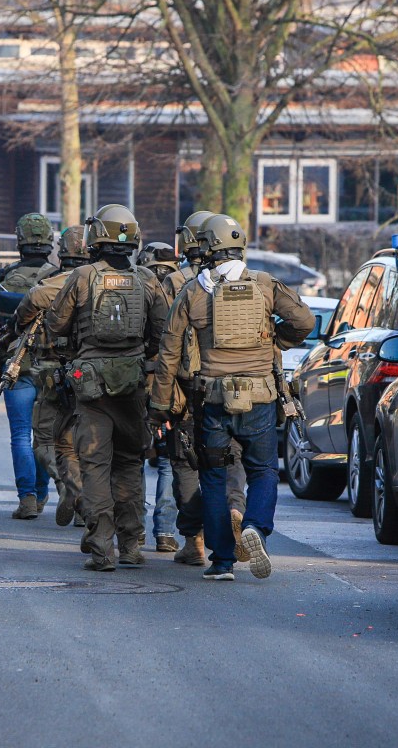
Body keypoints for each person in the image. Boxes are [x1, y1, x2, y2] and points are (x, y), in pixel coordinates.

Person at [149, 214, 315, 581]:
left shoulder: (191, 292)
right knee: (263, 470)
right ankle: (256, 526)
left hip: (212, 400)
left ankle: (222, 559)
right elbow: (304, 321)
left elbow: (169, 354)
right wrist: (274, 341)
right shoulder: (266, 284)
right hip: (259, 396)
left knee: (212, 475)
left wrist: (159, 407)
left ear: (206, 248)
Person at [47, 205, 169, 571]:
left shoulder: (82, 277)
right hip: (134, 384)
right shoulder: (148, 279)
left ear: (95, 238)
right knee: (130, 463)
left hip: (91, 386)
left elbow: (56, 324)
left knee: (95, 464)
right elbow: (162, 333)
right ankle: (131, 545)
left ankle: (102, 547)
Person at [163, 211, 249, 566]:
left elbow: (163, 339)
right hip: (233, 384)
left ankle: (193, 540)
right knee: (231, 457)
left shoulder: (176, 283)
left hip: (186, 390)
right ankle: (235, 507)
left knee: (185, 463)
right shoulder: (246, 279)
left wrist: (159, 399)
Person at [12, 226, 90, 528]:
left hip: (55, 374)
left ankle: (74, 490)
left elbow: (22, 315)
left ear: (62, 252)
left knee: (45, 438)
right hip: (99, 375)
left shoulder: (49, 287)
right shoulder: (116, 284)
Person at [0, 213, 58, 519]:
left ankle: (27, 499)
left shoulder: (6, 276)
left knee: (20, 434)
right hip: (50, 368)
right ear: (49, 241)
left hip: (16, 366)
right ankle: (43, 493)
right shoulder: (60, 277)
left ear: (19, 241)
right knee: (45, 436)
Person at [137, 242, 182, 552]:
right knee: (168, 460)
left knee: (132, 459)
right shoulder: (188, 285)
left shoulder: (136, 283)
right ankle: (165, 531)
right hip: (175, 384)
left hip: (137, 380)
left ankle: (134, 530)